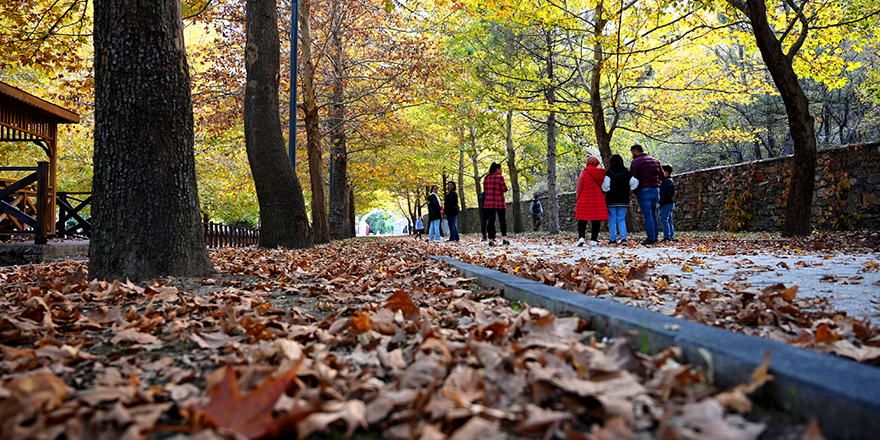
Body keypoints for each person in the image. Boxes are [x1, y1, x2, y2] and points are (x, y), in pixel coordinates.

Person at [629, 144, 664, 245]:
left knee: (647, 215)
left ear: (635, 152)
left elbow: (632, 177)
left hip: (643, 189)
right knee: (654, 214)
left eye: (632, 153)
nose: (632, 155)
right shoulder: (656, 161)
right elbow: (662, 176)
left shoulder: (636, 162)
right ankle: (655, 236)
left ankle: (651, 238)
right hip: (655, 189)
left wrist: (634, 189)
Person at [602, 154, 639, 245]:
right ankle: (624, 239)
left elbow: (605, 187)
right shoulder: (627, 173)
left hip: (611, 200)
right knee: (621, 219)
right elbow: (635, 183)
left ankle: (613, 239)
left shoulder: (608, 173)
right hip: (623, 200)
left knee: (612, 220)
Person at [575, 155, 608, 246]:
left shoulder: (584, 173)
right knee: (596, 220)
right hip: (598, 199)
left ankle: (581, 238)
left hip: (584, 198)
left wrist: (578, 197)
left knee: (582, 220)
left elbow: (579, 187)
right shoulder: (602, 173)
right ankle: (593, 240)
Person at [483, 162, 510, 246]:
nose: (502, 170)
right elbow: (505, 189)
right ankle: (504, 238)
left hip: (489, 203)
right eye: (501, 169)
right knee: (502, 221)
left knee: (491, 221)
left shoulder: (486, 178)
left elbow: (485, 190)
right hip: (499, 202)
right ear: (497, 169)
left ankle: (491, 240)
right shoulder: (500, 177)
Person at [659, 164, 677, 242]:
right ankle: (670, 235)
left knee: (664, 219)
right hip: (670, 203)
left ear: (666, 172)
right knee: (669, 219)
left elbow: (666, 194)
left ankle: (667, 236)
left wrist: (660, 202)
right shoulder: (670, 181)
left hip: (666, 203)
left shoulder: (666, 181)